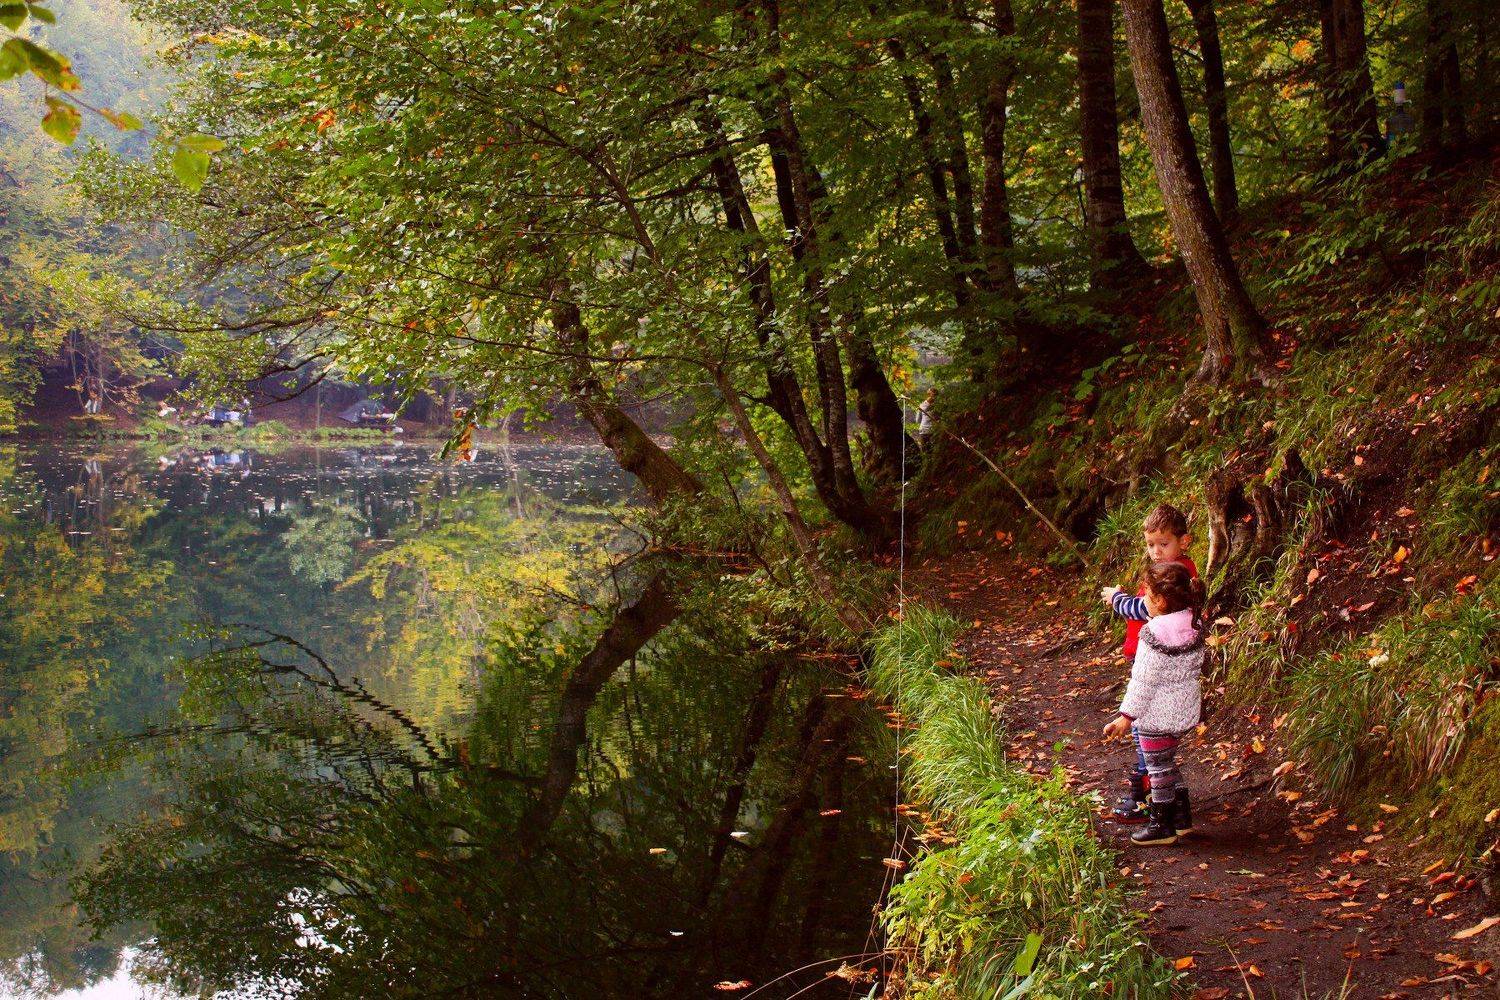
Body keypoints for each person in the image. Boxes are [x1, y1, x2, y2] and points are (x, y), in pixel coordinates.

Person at [1099, 503, 1199, 824]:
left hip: (1156, 662)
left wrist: (1116, 599)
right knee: (1152, 740)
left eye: (1163, 544)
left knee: (1147, 735)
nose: (1156, 551)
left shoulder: (1175, 577)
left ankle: (1150, 798)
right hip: (1154, 660)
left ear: (1184, 541)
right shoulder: (1169, 571)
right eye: (1150, 544)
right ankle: (1171, 800)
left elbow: (1143, 609)